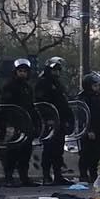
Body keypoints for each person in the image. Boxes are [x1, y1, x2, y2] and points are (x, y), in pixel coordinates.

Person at [0, 57, 36, 186]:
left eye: (25, 71)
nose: (22, 73)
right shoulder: (9, 86)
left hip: (26, 123)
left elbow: (31, 106)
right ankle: (8, 177)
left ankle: (24, 177)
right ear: (15, 72)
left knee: (26, 152)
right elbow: (6, 106)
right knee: (12, 151)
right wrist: (7, 124)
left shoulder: (28, 87)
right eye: (20, 71)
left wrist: (35, 123)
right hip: (14, 124)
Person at [36, 57, 71, 185]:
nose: (56, 73)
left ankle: (58, 175)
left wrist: (67, 119)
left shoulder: (58, 84)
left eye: (58, 70)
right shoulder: (43, 83)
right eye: (54, 70)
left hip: (60, 121)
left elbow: (63, 104)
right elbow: (41, 104)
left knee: (58, 150)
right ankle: (46, 176)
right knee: (48, 149)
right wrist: (48, 119)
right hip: (49, 122)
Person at [76, 72, 100, 184]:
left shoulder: (97, 98)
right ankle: (83, 174)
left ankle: (93, 173)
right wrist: (88, 130)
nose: (97, 88)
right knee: (86, 153)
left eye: (98, 86)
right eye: (95, 86)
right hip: (88, 130)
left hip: (98, 128)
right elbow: (83, 116)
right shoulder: (83, 98)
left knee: (96, 153)